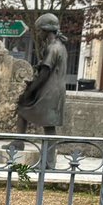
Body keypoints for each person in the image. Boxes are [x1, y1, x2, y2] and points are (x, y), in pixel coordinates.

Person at [16, 13, 68, 167]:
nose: (38, 34)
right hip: (55, 90)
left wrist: (30, 90)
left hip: (49, 91)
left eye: (39, 31)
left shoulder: (53, 48)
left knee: (48, 126)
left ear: (46, 30)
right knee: (22, 110)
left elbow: (45, 73)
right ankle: (19, 143)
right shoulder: (59, 46)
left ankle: (48, 161)